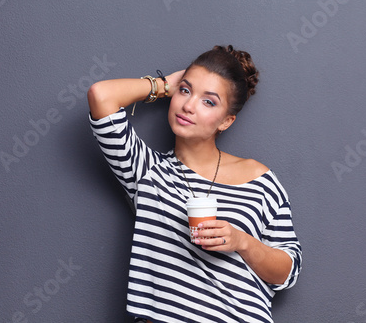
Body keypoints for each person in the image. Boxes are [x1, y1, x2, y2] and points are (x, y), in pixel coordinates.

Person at [87, 45, 302, 323]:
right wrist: (165, 85)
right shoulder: (147, 172)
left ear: (226, 121)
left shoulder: (258, 178)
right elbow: (101, 96)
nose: (188, 106)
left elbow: (288, 273)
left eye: (208, 101)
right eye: (185, 91)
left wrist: (242, 242)